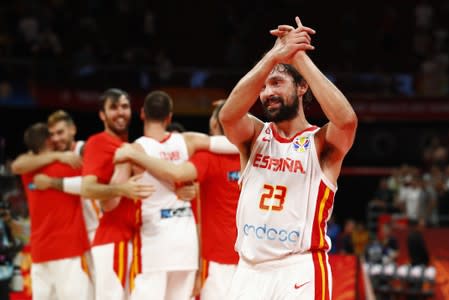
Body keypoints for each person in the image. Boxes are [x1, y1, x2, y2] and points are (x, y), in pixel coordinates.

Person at [219, 17, 357, 299]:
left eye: (277, 82)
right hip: (248, 270)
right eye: (264, 86)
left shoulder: (320, 143)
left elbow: (346, 121)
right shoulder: (255, 136)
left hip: (299, 268)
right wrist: (274, 56)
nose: (268, 92)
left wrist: (299, 57)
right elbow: (227, 116)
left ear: (301, 87)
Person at [111, 91, 238, 300]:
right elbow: (233, 142)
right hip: (185, 246)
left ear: (142, 114)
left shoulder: (133, 150)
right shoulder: (188, 142)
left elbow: (109, 204)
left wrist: (121, 184)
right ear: (169, 116)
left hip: (154, 246)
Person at [80, 88, 154, 300]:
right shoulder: (98, 142)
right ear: (102, 115)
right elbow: (87, 189)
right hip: (114, 240)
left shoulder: (129, 146)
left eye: (124, 106)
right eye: (113, 107)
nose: (120, 112)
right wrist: (121, 189)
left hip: (131, 239)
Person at [19, 122, 92, 300]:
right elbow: (95, 182)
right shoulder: (70, 165)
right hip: (69, 251)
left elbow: (18, 164)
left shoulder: (27, 172)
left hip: (40, 253)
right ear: (50, 141)